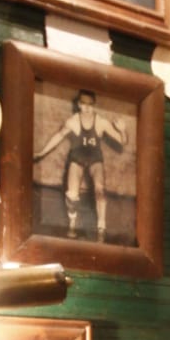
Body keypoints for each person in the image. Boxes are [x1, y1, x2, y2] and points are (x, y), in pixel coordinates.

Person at [34, 89, 127, 241]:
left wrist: (122, 131)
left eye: (90, 104)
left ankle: (101, 226)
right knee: (72, 194)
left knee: (100, 189)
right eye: (84, 104)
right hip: (77, 158)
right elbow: (58, 136)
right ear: (79, 104)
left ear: (94, 105)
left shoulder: (101, 122)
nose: (87, 108)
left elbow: (122, 141)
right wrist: (42, 152)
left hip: (95, 159)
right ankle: (72, 222)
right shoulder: (72, 122)